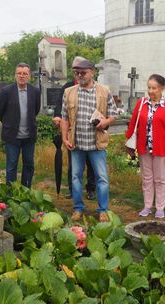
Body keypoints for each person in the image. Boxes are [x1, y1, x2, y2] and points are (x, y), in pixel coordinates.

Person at [60, 59, 118, 222]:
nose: (79, 76)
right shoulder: (69, 92)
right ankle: (78, 208)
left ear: (92, 72)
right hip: (76, 143)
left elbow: (113, 114)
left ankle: (103, 209)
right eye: (76, 73)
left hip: (96, 143)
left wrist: (105, 122)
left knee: (102, 177)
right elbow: (64, 118)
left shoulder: (104, 91)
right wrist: (65, 137)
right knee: (76, 177)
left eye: (83, 73)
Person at [126, 74, 165, 218]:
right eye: (149, 87)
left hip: (162, 149)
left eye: (154, 88)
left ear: (162, 88)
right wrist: (129, 144)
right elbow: (133, 124)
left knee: (161, 179)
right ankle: (148, 205)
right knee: (147, 178)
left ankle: (160, 207)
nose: (151, 91)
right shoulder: (141, 103)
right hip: (144, 147)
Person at [53, 56, 96, 200]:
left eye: (82, 70)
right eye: (77, 70)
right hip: (72, 132)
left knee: (91, 163)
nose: (79, 74)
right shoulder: (67, 87)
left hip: (90, 132)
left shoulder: (94, 87)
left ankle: (91, 189)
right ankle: (72, 189)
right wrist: (58, 116)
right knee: (74, 164)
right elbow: (60, 105)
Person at [0, 63, 41, 188]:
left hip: (29, 136)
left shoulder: (35, 91)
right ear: (15, 75)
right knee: (11, 165)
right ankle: (11, 192)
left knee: (29, 165)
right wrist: (9, 123)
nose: (22, 76)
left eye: (24, 73)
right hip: (12, 136)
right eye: (19, 73)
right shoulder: (6, 91)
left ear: (29, 76)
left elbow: (35, 110)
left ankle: (25, 190)